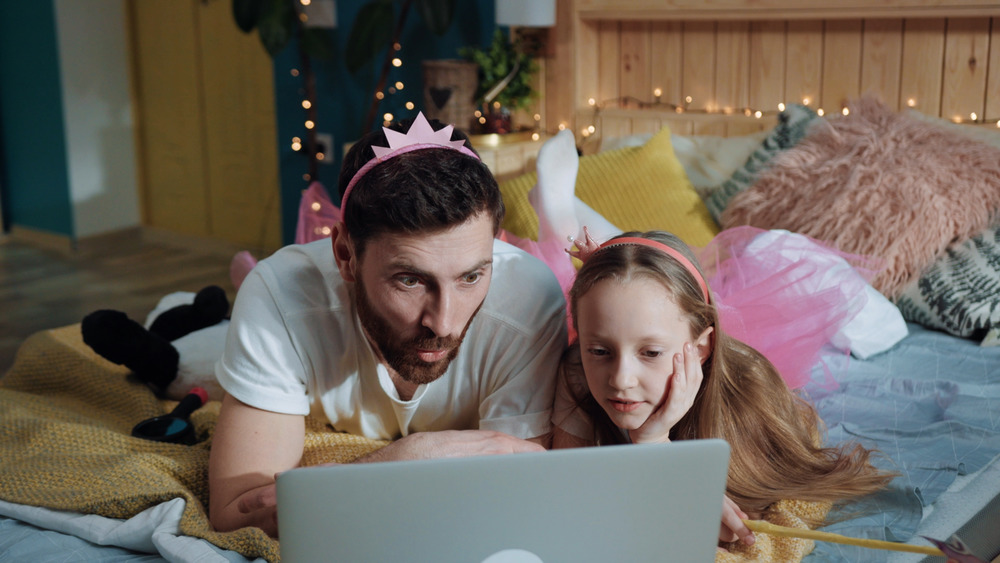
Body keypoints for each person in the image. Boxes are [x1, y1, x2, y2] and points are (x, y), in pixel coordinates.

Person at [208, 113, 568, 536]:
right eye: (410, 280)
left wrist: (328, 492)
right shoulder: (278, 296)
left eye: (471, 276)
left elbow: (517, 505)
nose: (444, 323)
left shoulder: (530, 301)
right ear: (345, 255)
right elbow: (237, 515)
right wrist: (410, 457)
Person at [551, 229, 894, 549]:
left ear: (700, 349)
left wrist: (657, 447)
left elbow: (744, 519)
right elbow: (574, 493)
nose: (621, 380)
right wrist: (651, 444)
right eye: (599, 351)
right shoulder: (577, 370)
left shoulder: (750, 390)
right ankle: (557, 219)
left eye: (651, 353)